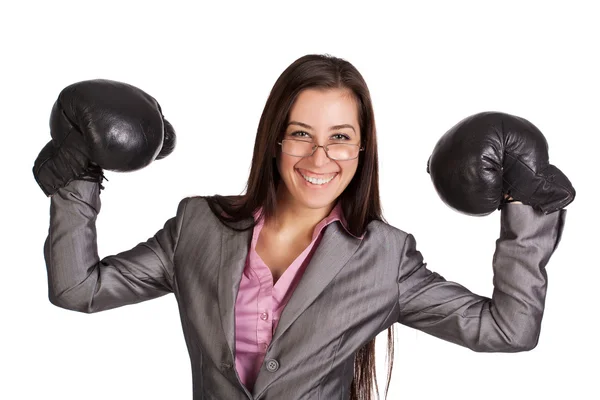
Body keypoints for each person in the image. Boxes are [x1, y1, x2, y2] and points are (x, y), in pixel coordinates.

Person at [33, 54, 574, 400]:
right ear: (276, 139)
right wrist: (77, 180)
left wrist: (526, 211)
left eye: (340, 137)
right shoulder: (198, 226)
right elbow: (79, 288)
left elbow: (508, 330)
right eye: (300, 133)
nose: (320, 157)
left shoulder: (385, 257)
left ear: (362, 149)